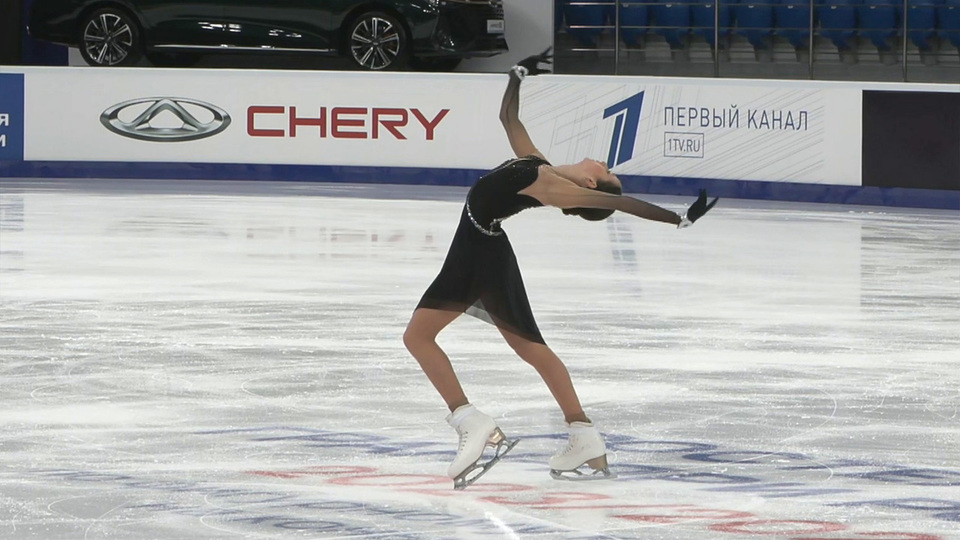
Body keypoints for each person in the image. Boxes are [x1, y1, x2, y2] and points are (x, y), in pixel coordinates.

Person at [402, 49, 718, 489]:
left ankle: (472, 422)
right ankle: (581, 434)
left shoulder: (557, 189)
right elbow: (508, 119)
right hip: (481, 248)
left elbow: (619, 202)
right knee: (519, 348)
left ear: (589, 183)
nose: (602, 164)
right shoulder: (537, 163)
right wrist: (518, 74)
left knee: (427, 337)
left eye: (604, 171)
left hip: (480, 254)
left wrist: (677, 218)